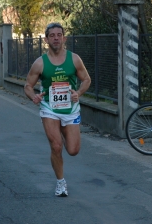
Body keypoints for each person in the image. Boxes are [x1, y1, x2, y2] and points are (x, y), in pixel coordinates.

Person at [24, 22, 91, 197]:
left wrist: (78, 92)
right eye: (52, 35)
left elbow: (86, 80)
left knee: (73, 150)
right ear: (46, 39)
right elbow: (27, 86)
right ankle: (61, 183)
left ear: (64, 38)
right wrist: (34, 97)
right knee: (56, 146)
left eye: (59, 35)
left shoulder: (74, 59)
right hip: (49, 108)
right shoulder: (40, 63)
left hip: (70, 109)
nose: (56, 38)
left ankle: (63, 128)